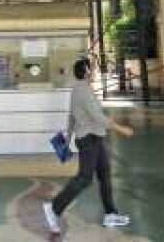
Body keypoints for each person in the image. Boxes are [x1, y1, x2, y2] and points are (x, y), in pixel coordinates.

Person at [43, 58, 133, 234]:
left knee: (104, 174)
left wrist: (68, 139)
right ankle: (53, 208)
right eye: (91, 68)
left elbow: (72, 116)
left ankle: (110, 214)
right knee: (84, 178)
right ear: (85, 71)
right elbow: (97, 117)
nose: (94, 71)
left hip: (95, 138)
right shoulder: (82, 90)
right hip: (88, 139)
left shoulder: (80, 89)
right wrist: (120, 128)